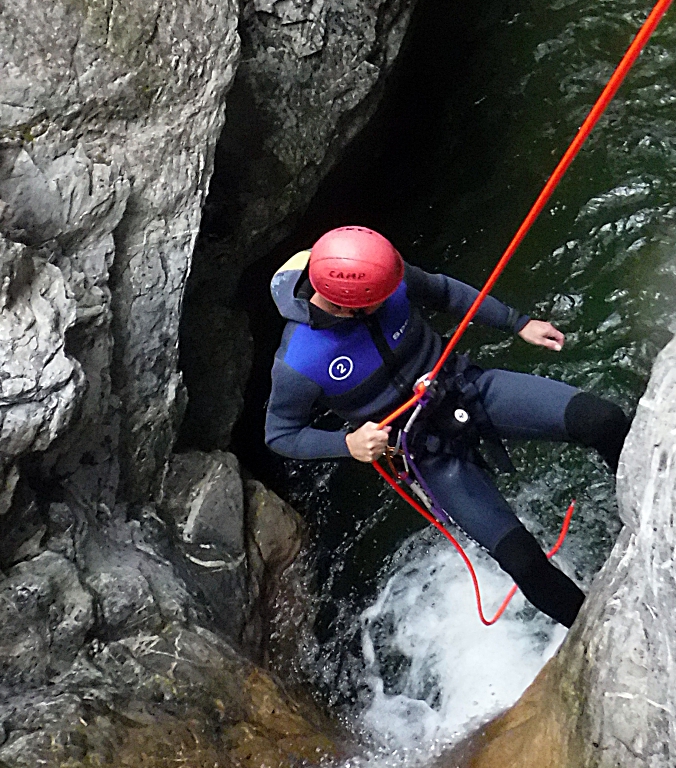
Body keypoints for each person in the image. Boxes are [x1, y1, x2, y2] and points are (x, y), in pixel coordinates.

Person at [264, 225, 632, 628]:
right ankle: (598, 632)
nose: (395, 292)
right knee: (522, 561)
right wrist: (347, 444)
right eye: (383, 297)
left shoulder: (381, 271)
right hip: (423, 450)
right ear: (352, 305)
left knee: (603, 420)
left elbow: (442, 290)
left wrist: (517, 322)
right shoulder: (298, 363)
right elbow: (281, 434)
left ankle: (643, 510)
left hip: (465, 390)